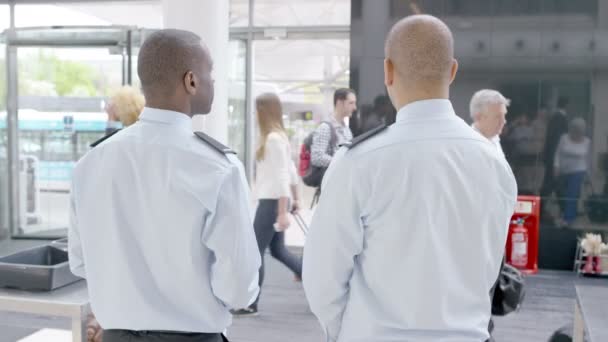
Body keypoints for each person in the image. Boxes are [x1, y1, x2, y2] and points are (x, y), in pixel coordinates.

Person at [302, 14, 517, 342]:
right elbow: (489, 269)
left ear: (387, 70)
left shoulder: (358, 162)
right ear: (453, 70)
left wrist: (344, 332)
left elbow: (323, 278)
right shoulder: (494, 164)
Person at [68, 29, 261, 342]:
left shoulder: (91, 163)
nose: (213, 81)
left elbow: (79, 262)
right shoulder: (218, 168)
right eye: (209, 72)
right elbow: (239, 287)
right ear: (191, 81)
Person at [232, 93, 302, 316]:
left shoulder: (273, 139)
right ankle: (309, 275)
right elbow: (290, 172)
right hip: (274, 200)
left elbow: (283, 175)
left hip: (271, 202)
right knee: (278, 250)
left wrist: (283, 211)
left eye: (256, 109)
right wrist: (296, 198)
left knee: (255, 252)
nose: (254, 114)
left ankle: (250, 302)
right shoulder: (278, 137)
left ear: (264, 110)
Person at [554, 118, 591, 226]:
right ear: (572, 129)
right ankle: (569, 214)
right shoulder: (564, 138)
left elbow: (588, 159)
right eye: (575, 129)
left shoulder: (587, 142)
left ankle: (567, 219)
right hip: (563, 171)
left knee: (572, 194)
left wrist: (588, 174)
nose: (577, 132)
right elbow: (558, 153)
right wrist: (556, 166)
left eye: (580, 130)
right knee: (562, 194)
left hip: (579, 171)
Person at [309, 88, 356, 171]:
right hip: (331, 180)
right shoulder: (325, 127)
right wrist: (341, 161)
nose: (354, 107)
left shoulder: (346, 129)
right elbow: (317, 157)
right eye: (351, 103)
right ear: (339, 103)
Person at [541, 96, 570, 197]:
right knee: (550, 182)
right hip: (554, 157)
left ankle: (561, 206)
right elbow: (555, 140)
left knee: (554, 182)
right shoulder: (559, 118)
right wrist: (556, 159)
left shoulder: (556, 117)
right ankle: (542, 206)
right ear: (566, 105)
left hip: (554, 157)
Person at [469, 89, 510, 157]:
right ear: (478, 117)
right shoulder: (469, 146)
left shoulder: (494, 138)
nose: (504, 121)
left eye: (504, 115)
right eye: (498, 116)